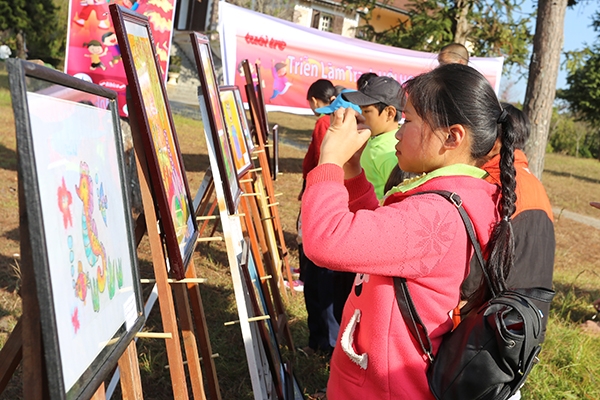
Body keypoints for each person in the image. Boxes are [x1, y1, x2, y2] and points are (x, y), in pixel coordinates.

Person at [301, 63, 516, 399]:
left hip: (381, 388)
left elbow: (324, 241)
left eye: (410, 120)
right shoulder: (460, 194)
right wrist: (353, 171)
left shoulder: (436, 215)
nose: (398, 132)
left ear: (452, 136)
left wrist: (328, 161)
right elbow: (378, 243)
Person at [461, 103, 555, 339]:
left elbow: (471, 276)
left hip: (484, 332)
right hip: (524, 327)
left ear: (494, 139)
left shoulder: (494, 186)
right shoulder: (534, 184)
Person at [298, 79, 361, 355]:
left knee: (320, 278)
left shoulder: (329, 123)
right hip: (338, 202)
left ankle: (325, 342)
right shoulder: (344, 119)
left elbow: (321, 163)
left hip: (328, 199)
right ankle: (329, 340)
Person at [342, 76, 402, 199]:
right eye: (360, 110)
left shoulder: (391, 154)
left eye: (367, 111)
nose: (361, 116)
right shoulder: (373, 138)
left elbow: (396, 199)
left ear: (390, 113)